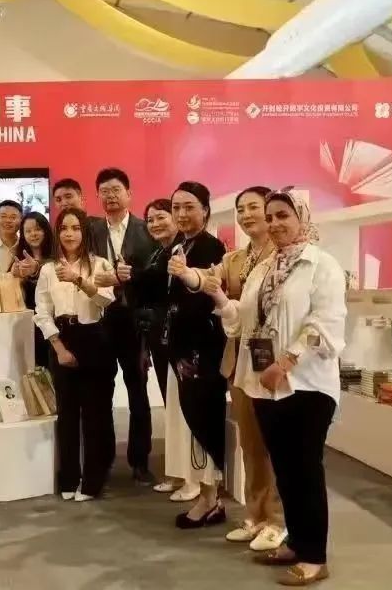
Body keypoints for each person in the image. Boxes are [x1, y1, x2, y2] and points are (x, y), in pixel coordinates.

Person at [207, 190, 345, 586]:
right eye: (271, 217)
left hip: (307, 386)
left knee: (305, 471)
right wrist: (218, 296)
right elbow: (243, 318)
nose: (275, 223)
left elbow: (326, 323)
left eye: (283, 215)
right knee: (284, 470)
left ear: (302, 217)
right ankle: (296, 542)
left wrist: (285, 362)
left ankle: (314, 557)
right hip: (264, 386)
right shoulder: (265, 268)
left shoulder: (322, 265)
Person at [179, 186, 285, 550]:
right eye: (241, 209)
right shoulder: (236, 258)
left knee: (276, 443)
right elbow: (209, 278)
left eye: (254, 207)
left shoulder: (284, 256)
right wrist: (187, 274)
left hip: (274, 360)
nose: (247, 215)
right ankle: (256, 515)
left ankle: (278, 519)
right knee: (250, 443)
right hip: (239, 358)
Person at [34, 207, 117, 502]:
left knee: (95, 414)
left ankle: (93, 481)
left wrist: (78, 279)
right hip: (62, 336)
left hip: (94, 337)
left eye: (75, 228)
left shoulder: (100, 264)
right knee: (67, 413)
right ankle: (69, 477)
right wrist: (58, 347)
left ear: (85, 232)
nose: (69, 234)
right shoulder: (48, 269)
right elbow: (42, 311)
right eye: (64, 228)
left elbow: (106, 300)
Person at [89, 167, 159, 485]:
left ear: (129, 194)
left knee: (138, 393)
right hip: (101, 320)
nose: (110, 196)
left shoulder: (147, 230)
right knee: (100, 394)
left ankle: (139, 461)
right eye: (104, 191)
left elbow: (155, 275)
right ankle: (102, 460)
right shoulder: (91, 231)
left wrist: (127, 279)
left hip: (134, 323)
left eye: (116, 190)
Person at [166, 181, 228, 529]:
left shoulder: (211, 247)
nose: (181, 213)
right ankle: (209, 496)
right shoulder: (180, 245)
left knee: (204, 423)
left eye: (189, 206)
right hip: (182, 351)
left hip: (202, 351)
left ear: (205, 210)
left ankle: (210, 498)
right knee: (192, 423)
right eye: (176, 207)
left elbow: (208, 295)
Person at [133, 199, 196, 502]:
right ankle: (178, 472)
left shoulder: (184, 251)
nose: (155, 224)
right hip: (161, 339)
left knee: (186, 411)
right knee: (172, 409)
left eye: (161, 217)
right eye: (150, 220)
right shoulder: (158, 252)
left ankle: (194, 479)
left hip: (181, 342)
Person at [11, 211, 54, 368]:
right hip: (29, 325)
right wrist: (15, 277)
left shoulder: (57, 257)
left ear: (46, 230)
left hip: (54, 322)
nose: (33, 234)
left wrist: (36, 268)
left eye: (37, 229)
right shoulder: (19, 261)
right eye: (28, 231)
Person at [0, 200, 23, 273]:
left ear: (21, 222)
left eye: (13, 217)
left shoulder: (26, 246)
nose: (8, 221)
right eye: (3, 216)